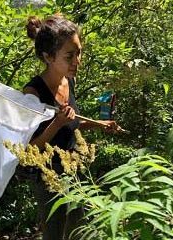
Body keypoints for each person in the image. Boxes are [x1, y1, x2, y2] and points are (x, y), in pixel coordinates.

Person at [23, 14, 120, 240]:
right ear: (48, 57)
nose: (78, 61)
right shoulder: (33, 93)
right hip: (48, 175)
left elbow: (71, 123)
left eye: (79, 52)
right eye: (70, 56)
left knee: (80, 229)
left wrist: (98, 125)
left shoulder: (69, 80)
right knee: (55, 230)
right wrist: (56, 124)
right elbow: (29, 148)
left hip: (75, 167)